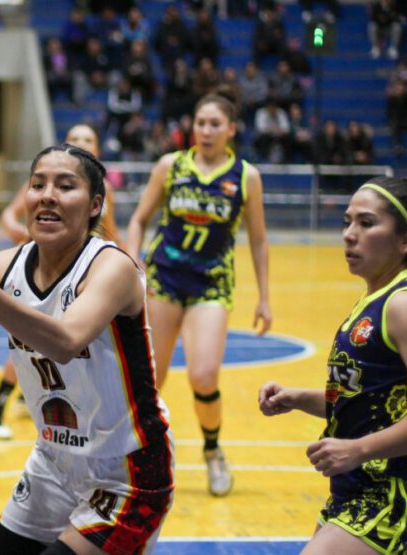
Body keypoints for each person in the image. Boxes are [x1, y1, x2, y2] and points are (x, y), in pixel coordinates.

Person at [0, 143, 173, 554]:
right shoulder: (9, 265)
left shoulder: (112, 268)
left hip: (127, 473)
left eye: (65, 186)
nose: (48, 194)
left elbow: (65, 341)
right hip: (53, 466)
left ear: (95, 205)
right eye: (38, 183)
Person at [259, 173, 407, 555]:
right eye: (347, 222)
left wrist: (358, 450)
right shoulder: (374, 300)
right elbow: (374, 402)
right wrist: (298, 398)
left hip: (396, 498)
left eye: (367, 223)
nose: (349, 233)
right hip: (355, 491)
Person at [126, 91, 272, 497]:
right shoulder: (170, 167)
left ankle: (212, 451)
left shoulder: (247, 177)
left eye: (214, 124)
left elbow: (259, 241)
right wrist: (132, 260)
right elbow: (139, 219)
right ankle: (138, 454)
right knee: (152, 375)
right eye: (200, 123)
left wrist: (264, 297)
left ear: (231, 129)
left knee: (204, 373)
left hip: (211, 282)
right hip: (164, 279)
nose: (205, 131)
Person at [0, 123, 122, 441]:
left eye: (88, 139)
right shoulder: (47, 184)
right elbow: (9, 216)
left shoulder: (103, 191)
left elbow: (111, 231)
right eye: (75, 139)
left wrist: (132, 264)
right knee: (32, 341)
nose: (81, 143)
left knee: (82, 349)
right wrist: (25, 234)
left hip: (89, 275)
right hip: (52, 269)